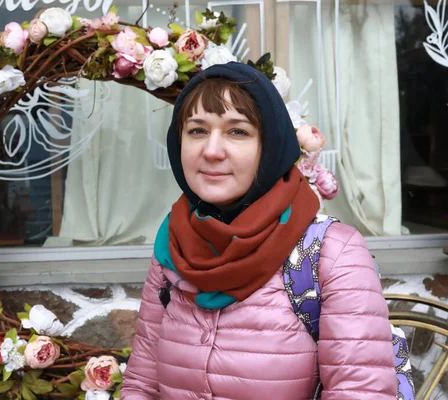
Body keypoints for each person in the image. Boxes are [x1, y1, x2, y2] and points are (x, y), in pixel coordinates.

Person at [120, 63, 397, 399]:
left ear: (271, 145)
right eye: (197, 131)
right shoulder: (172, 247)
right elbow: (142, 384)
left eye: (237, 131)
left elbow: (360, 392)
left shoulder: (332, 253)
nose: (211, 151)